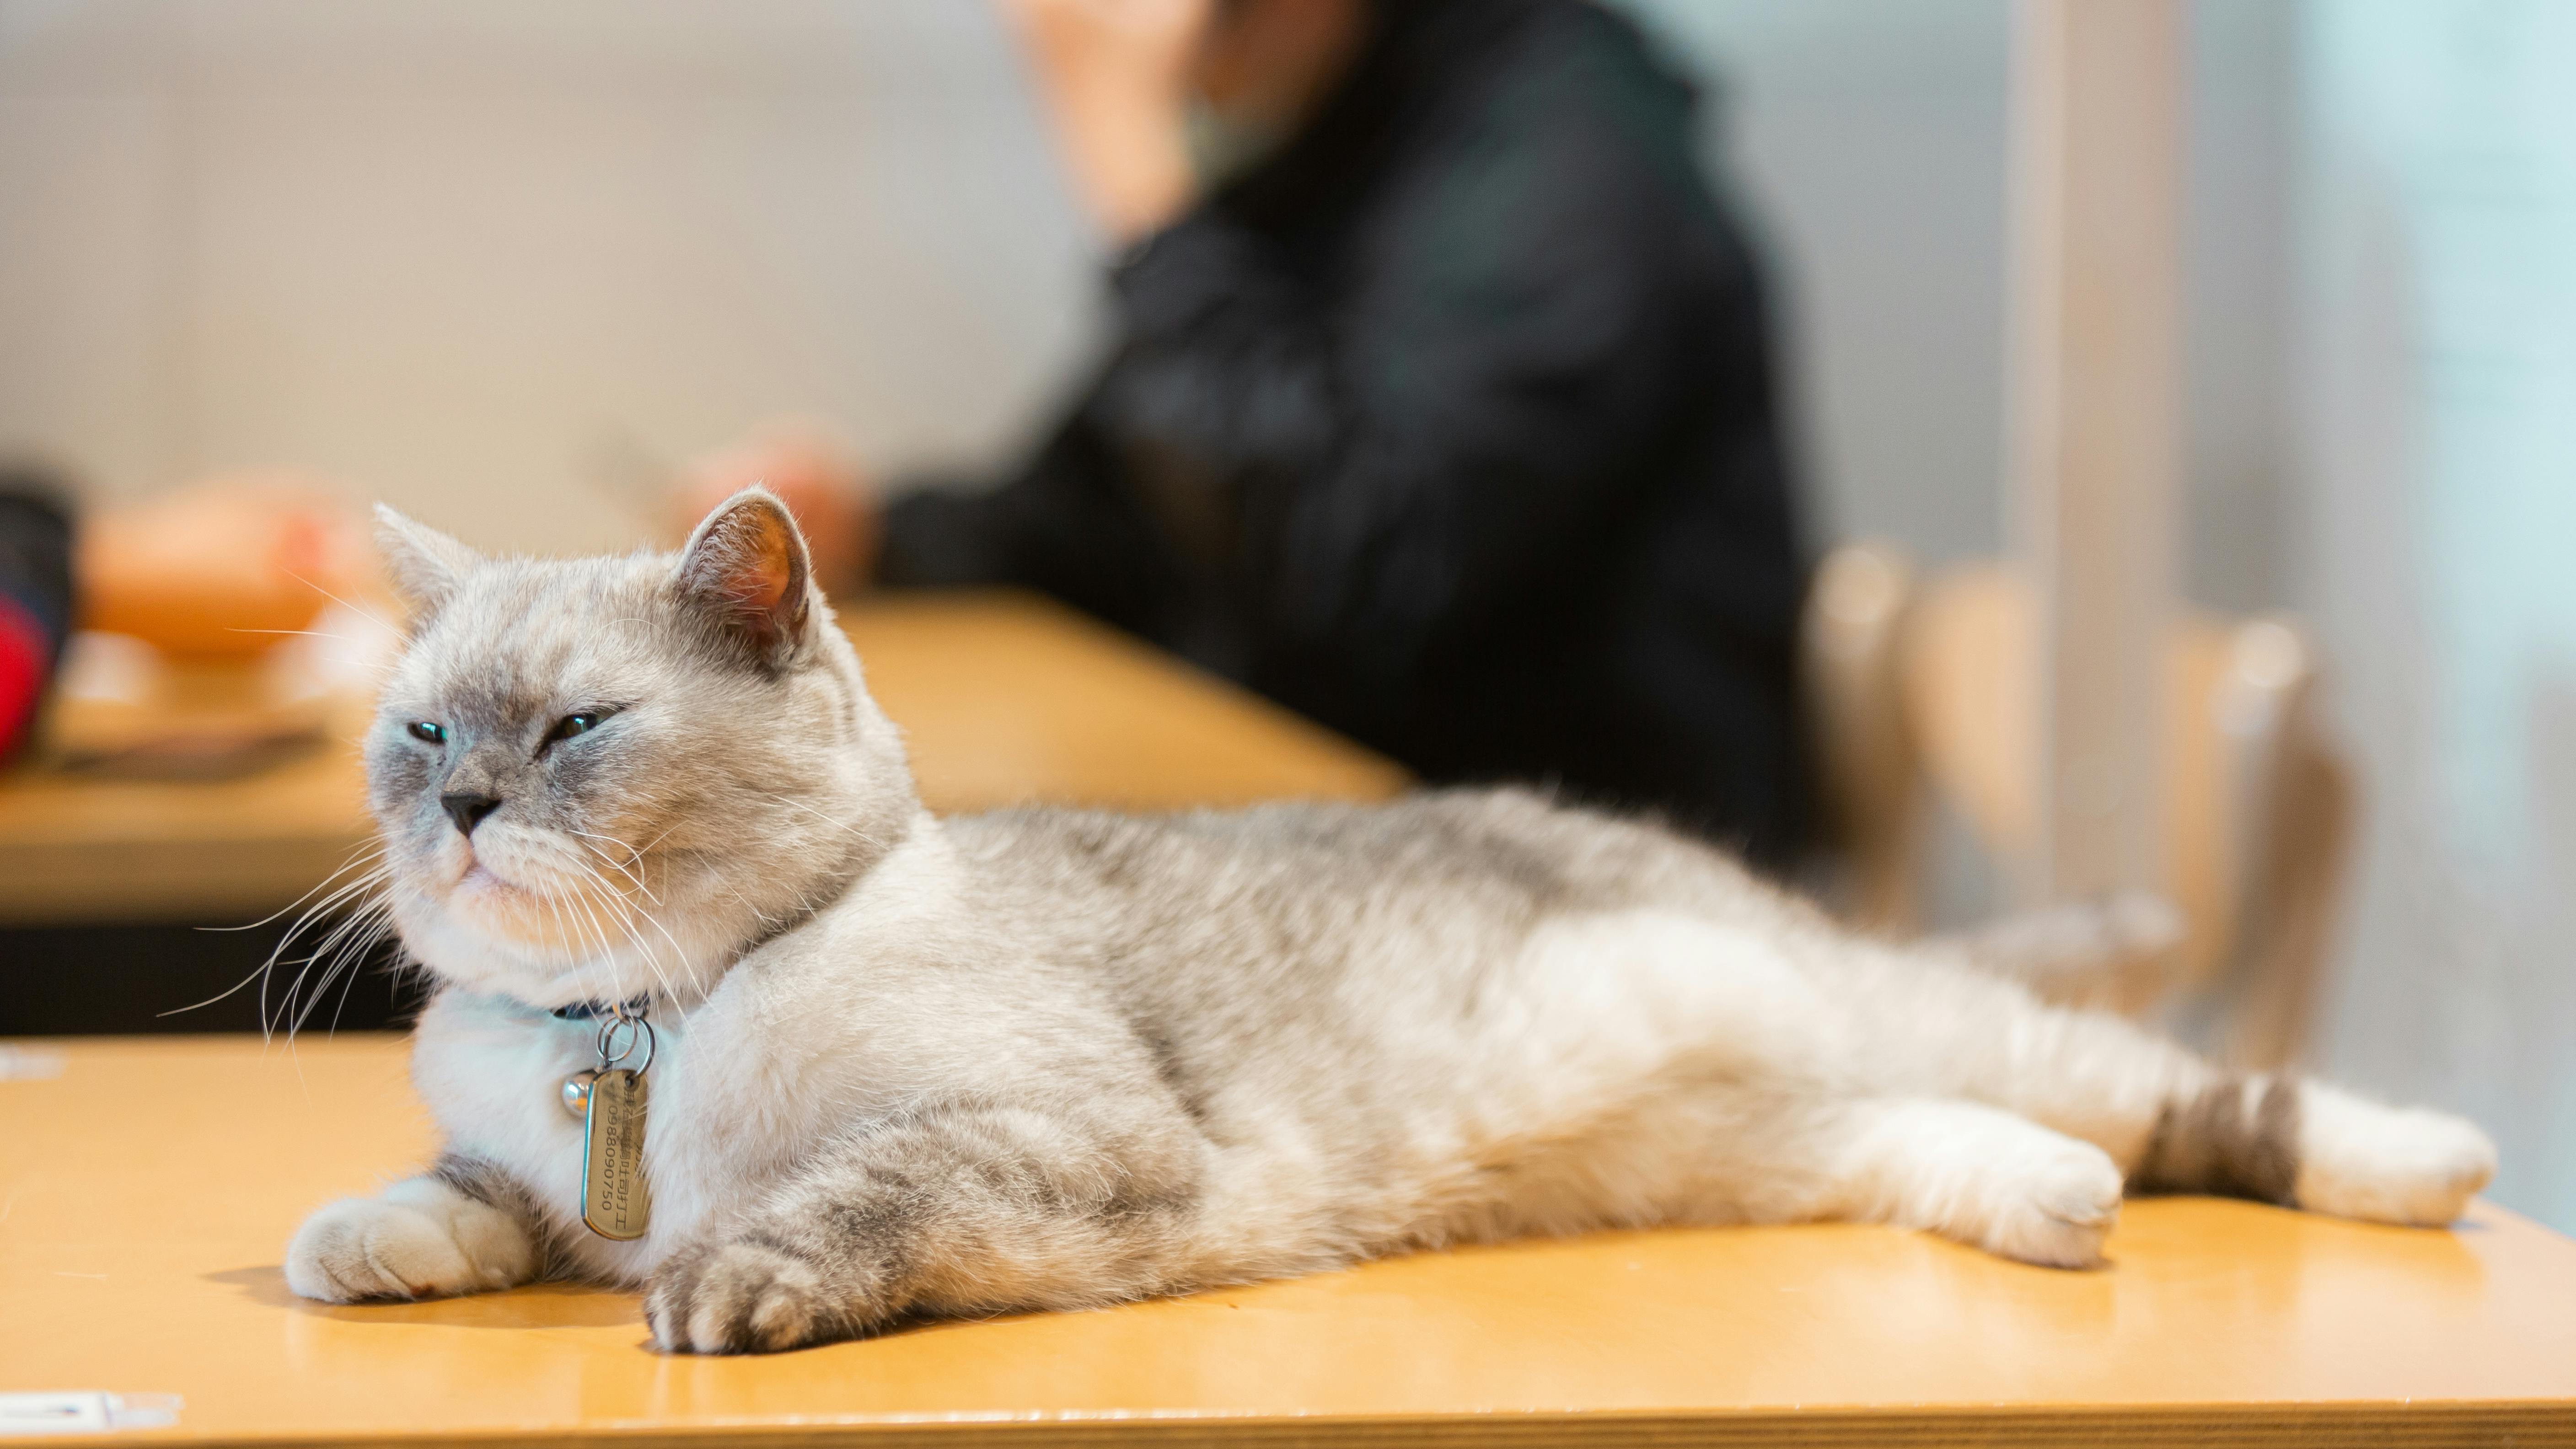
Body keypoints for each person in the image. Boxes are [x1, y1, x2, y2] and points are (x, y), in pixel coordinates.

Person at [687, 0, 1814, 869]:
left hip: (1594, 907)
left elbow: (1350, 561)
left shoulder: (1566, 155)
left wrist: (1126, 149)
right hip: (1365, 861)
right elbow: (1124, 516)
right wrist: (875, 535)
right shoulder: (1342, 132)